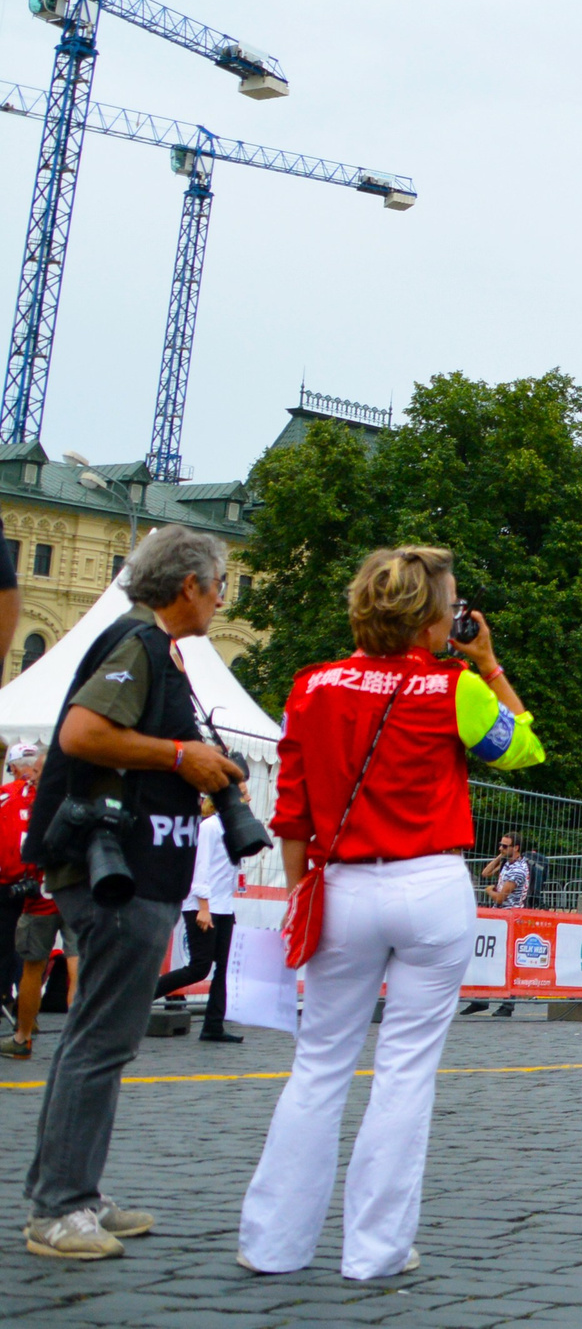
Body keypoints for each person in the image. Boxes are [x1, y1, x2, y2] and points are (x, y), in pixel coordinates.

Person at [238, 545, 545, 1281]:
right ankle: (375, 1251)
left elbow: (291, 810)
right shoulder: (453, 687)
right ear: (434, 616)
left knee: (318, 1066)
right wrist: (490, 664)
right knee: (405, 1071)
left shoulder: (312, 685)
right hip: (430, 883)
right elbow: (525, 747)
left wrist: (301, 887)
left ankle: (272, 1242)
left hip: (339, 882)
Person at [20, 525, 246, 1259]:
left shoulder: (152, 648)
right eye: (218, 585)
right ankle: (58, 1209)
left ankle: (72, 1191)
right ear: (189, 585)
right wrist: (183, 754)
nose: (220, 598)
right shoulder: (138, 644)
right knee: (100, 1041)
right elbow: (83, 733)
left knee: (98, 1039)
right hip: (117, 872)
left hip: (137, 867)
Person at [149, 794, 243, 1042]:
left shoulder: (234, 826)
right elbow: (199, 868)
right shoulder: (210, 827)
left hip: (224, 906)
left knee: (223, 968)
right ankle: (140, 997)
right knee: (199, 968)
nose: (247, 798)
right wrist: (204, 906)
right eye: (242, 793)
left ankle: (213, 1025)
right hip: (204, 905)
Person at [460, 833, 533, 1018]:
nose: (500, 848)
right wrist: (501, 856)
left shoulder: (518, 870)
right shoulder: (507, 864)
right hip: (500, 917)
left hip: (511, 917)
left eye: (505, 846)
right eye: (500, 845)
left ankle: (507, 1005)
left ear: (516, 848)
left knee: (508, 962)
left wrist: (490, 891)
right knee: (488, 956)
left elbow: (501, 897)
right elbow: (485, 873)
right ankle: (481, 999)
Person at [1, 741, 41, 1045]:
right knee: (20, 951)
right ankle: (21, 1010)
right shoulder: (18, 795)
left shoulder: (19, 795)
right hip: (25, 882)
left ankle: (20, 1009)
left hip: (21, 881)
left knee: (20, 949)